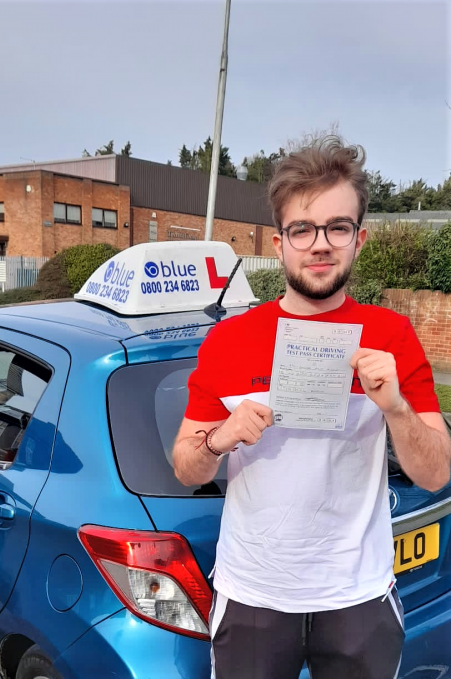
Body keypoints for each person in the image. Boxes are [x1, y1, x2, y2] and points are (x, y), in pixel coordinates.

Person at [172, 136, 451, 679]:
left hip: (358, 595)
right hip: (252, 592)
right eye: (303, 229)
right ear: (279, 242)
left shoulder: (392, 336)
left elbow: (438, 474)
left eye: (337, 227)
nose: (319, 244)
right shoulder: (228, 341)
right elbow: (186, 467)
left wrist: (395, 408)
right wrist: (220, 438)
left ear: (359, 239)